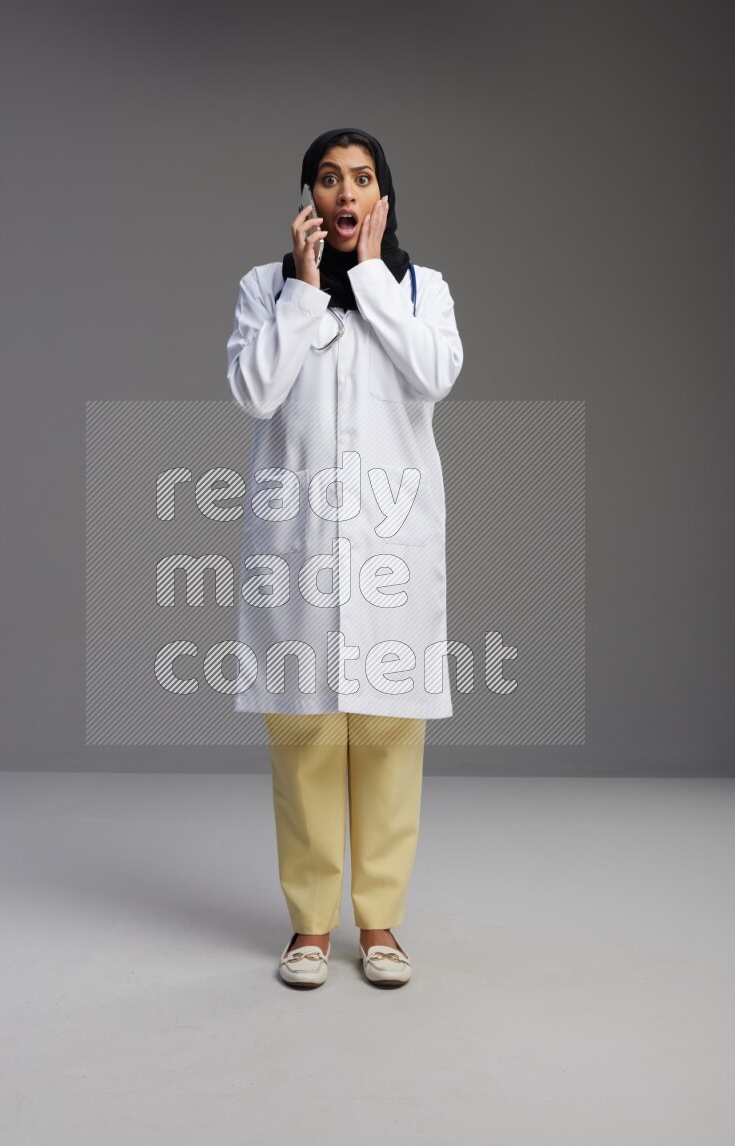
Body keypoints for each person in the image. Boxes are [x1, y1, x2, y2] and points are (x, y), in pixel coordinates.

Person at [226, 128, 463, 988]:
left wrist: (366, 278)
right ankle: (310, 929)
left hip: (390, 551)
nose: (345, 193)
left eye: (362, 178)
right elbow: (253, 390)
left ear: (383, 198)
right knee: (307, 740)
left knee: (391, 737)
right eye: (329, 179)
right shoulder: (266, 288)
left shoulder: (418, 288)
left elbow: (435, 375)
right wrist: (304, 292)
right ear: (308, 200)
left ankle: (383, 924)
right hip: (299, 551)